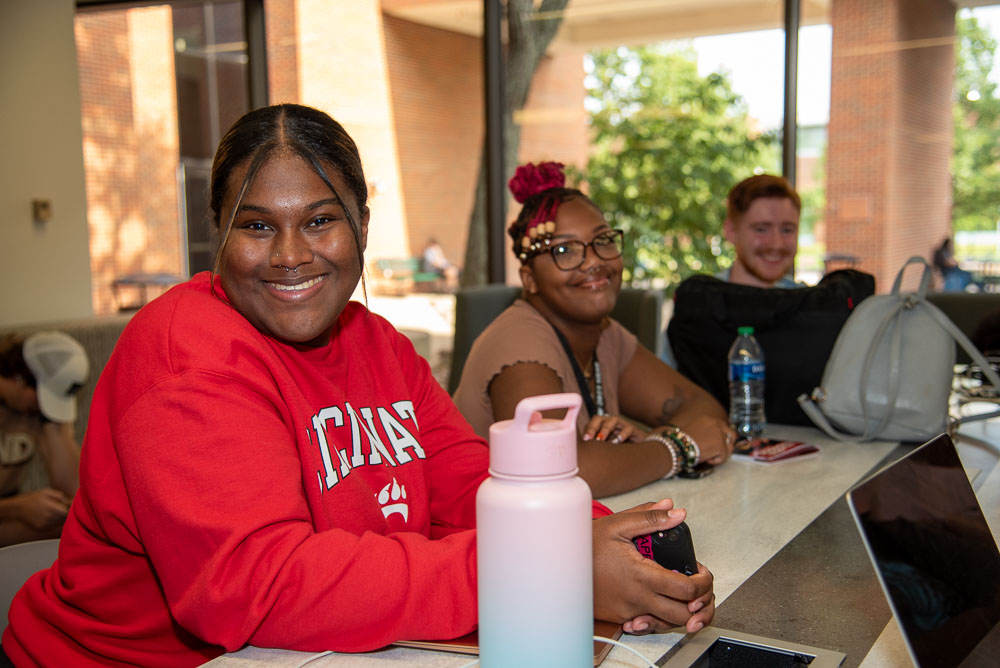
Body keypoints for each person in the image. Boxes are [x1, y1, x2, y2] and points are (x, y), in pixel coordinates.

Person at [1, 105, 714, 667]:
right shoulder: (181, 350)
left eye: (320, 220)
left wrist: (603, 549)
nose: (289, 256)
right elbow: (258, 588)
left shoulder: (376, 342)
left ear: (362, 226)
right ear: (218, 234)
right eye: (256, 226)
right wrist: (543, 568)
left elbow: (465, 482)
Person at [452, 162, 736, 499]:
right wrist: (677, 447)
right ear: (529, 278)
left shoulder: (605, 334)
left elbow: (702, 407)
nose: (593, 261)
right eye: (564, 250)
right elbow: (555, 469)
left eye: (602, 240)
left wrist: (638, 447)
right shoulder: (519, 343)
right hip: (488, 542)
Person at [0, 331, 86, 547]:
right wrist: (18, 507)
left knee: (79, 526)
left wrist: (52, 423)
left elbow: (73, 487)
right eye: (42, 397)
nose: (41, 405)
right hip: (8, 509)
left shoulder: (33, 410)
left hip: (6, 511)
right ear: (19, 378)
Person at [719, 174, 804, 288]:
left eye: (787, 230)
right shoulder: (699, 302)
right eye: (761, 230)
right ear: (731, 231)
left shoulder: (811, 303)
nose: (776, 244)